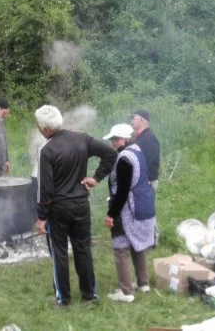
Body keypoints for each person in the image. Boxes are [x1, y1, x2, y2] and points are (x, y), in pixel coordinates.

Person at [34, 105, 117, 307]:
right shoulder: (82, 138)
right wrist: (96, 178)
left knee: (59, 252)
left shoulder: (46, 150)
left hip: (59, 209)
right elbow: (111, 155)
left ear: (45, 129)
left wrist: (42, 216)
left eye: (38, 125)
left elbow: (45, 190)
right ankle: (89, 296)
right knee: (83, 250)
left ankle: (64, 299)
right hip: (81, 205)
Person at [102, 123, 156, 303]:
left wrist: (111, 214)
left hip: (129, 209)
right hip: (144, 204)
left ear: (122, 139)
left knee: (121, 247)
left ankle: (126, 292)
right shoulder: (137, 150)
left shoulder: (124, 158)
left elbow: (122, 192)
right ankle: (144, 283)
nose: (112, 144)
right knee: (138, 244)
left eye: (114, 140)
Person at [131, 110, 160, 193]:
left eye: (133, 119)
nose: (131, 121)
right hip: (139, 183)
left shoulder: (149, 138)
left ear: (141, 120)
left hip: (146, 183)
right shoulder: (138, 137)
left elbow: (152, 162)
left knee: (144, 206)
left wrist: (147, 182)